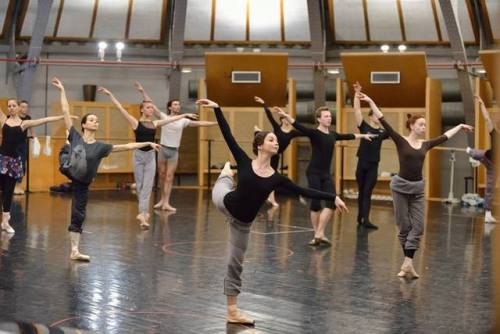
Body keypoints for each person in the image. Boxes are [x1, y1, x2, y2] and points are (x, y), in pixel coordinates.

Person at [197, 98, 348, 326]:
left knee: (234, 264)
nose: (276, 142)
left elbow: (303, 189)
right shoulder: (245, 162)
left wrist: (333, 197)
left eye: (276, 140)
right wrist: (218, 108)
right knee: (224, 180)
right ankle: (227, 172)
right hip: (224, 200)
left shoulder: (277, 178)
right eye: (271, 139)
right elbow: (227, 134)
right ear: (260, 145)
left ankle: (232, 311)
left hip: (242, 223)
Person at [359, 92, 473, 278]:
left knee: (418, 227)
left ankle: (407, 263)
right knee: (403, 225)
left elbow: (445, 136)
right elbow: (382, 119)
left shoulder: (426, 144)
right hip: (400, 188)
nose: (424, 127)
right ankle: (408, 264)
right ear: (412, 126)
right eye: (421, 124)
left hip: (418, 189)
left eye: (425, 125)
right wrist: (371, 101)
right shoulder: (400, 140)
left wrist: (459, 126)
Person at [52, 78, 160, 261]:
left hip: (82, 183)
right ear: (84, 124)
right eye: (92, 120)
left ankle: (74, 250)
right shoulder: (77, 136)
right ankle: (67, 152)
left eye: (97, 120)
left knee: (79, 214)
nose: (96, 122)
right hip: (71, 168)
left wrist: (148, 142)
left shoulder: (101, 147)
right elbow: (65, 111)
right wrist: (62, 90)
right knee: (69, 149)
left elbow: (126, 146)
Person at [98, 86, 198, 229]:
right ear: (142, 110)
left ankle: (143, 215)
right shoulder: (135, 123)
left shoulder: (155, 123)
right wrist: (110, 94)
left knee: (148, 187)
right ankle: (143, 213)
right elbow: (120, 109)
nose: (152, 110)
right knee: (140, 186)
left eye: (152, 107)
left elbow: (170, 120)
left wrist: (184, 115)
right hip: (138, 157)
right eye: (149, 108)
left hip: (151, 157)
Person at [277, 107, 375, 246]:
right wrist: (286, 116)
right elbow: (298, 125)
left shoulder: (333, 135)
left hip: (325, 174)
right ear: (319, 119)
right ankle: (317, 234)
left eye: (330, 116)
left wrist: (363, 136)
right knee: (316, 204)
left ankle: (319, 233)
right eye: (326, 116)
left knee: (332, 202)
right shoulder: (314, 133)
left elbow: (347, 136)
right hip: (313, 173)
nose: (329, 118)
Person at [134, 83, 218, 212]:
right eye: (175, 104)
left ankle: (166, 202)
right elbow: (150, 103)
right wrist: (142, 91)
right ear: (170, 107)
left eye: (179, 104)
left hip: (174, 151)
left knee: (169, 176)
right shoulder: (164, 117)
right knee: (161, 175)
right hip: (162, 149)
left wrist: (217, 122)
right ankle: (161, 199)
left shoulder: (183, 120)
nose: (177, 106)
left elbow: (200, 123)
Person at [0, 99, 72, 234]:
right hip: (2, 160)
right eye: (9, 106)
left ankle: (5, 221)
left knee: (8, 192)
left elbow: (45, 120)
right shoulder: (4, 120)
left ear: (18, 108)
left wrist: (64, 116)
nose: (10, 108)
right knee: (2, 190)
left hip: (13, 162)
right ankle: (5, 218)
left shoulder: (24, 123)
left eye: (13, 106)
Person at [253, 96, 303, 206]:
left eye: (288, 118)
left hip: (275, 156)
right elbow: (269, 116)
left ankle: (271, 198)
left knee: (272, 176)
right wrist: (264, 103)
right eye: (285, 118)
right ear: (282, 120)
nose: (287, 120)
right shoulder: (277, 128)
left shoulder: (292, 133)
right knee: (264, 174)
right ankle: (258, 133)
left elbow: (305, 131)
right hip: (268, 153)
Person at [352, 82, 389, 229]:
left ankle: (365, 219)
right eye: (375, 114)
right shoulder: (364, 126)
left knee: (367, 192)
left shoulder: (382, 132)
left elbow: (392, 132)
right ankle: (360, 217)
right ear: (370, 116)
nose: (377, 117)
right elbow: (356, 110)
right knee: (361, 191)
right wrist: (357, 94)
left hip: (374, 165)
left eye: (378, 115)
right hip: (362, 164)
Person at [466, 95, 496, 223]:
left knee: (490, 188)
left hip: (493, 166)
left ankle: (487, 214)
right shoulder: (495, 134)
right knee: (478, 154)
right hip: (487, 157)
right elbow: (487, 119)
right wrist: (482, 104)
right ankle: (470, 151)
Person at [13, 100, 37, 195]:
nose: (24, 109)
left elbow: (32, 129)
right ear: (18, 107)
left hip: (23, 144)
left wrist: (36, 140)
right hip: (13, 144)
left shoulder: (28, 118)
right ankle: (12, 186)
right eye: (22, 107)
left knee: (22, 164)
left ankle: (18, 185)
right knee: (14, 164)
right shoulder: (14, 117)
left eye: (26, 107)